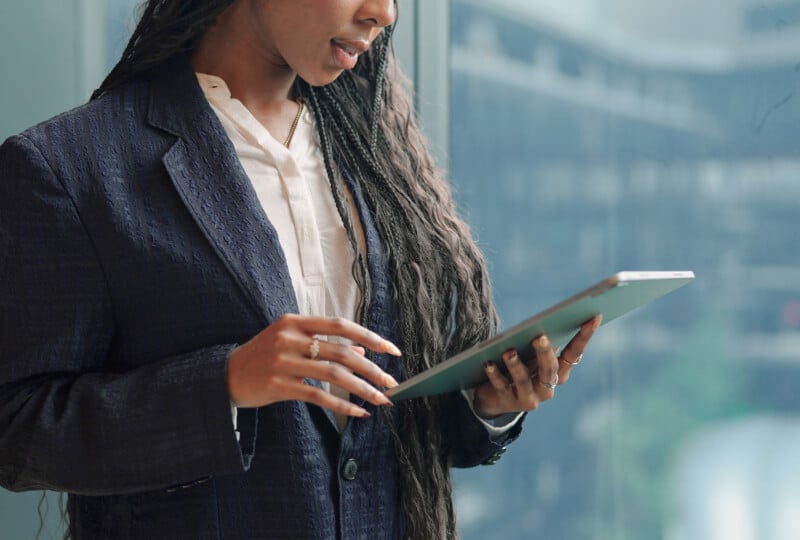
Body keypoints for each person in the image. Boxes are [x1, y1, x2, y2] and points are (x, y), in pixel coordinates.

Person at [0, 1, 599, 538]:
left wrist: (487, 405)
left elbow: (377, 442)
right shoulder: (68, 167)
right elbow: (16, 431)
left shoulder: (374, 157)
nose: (384, 14)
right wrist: (225, 385)